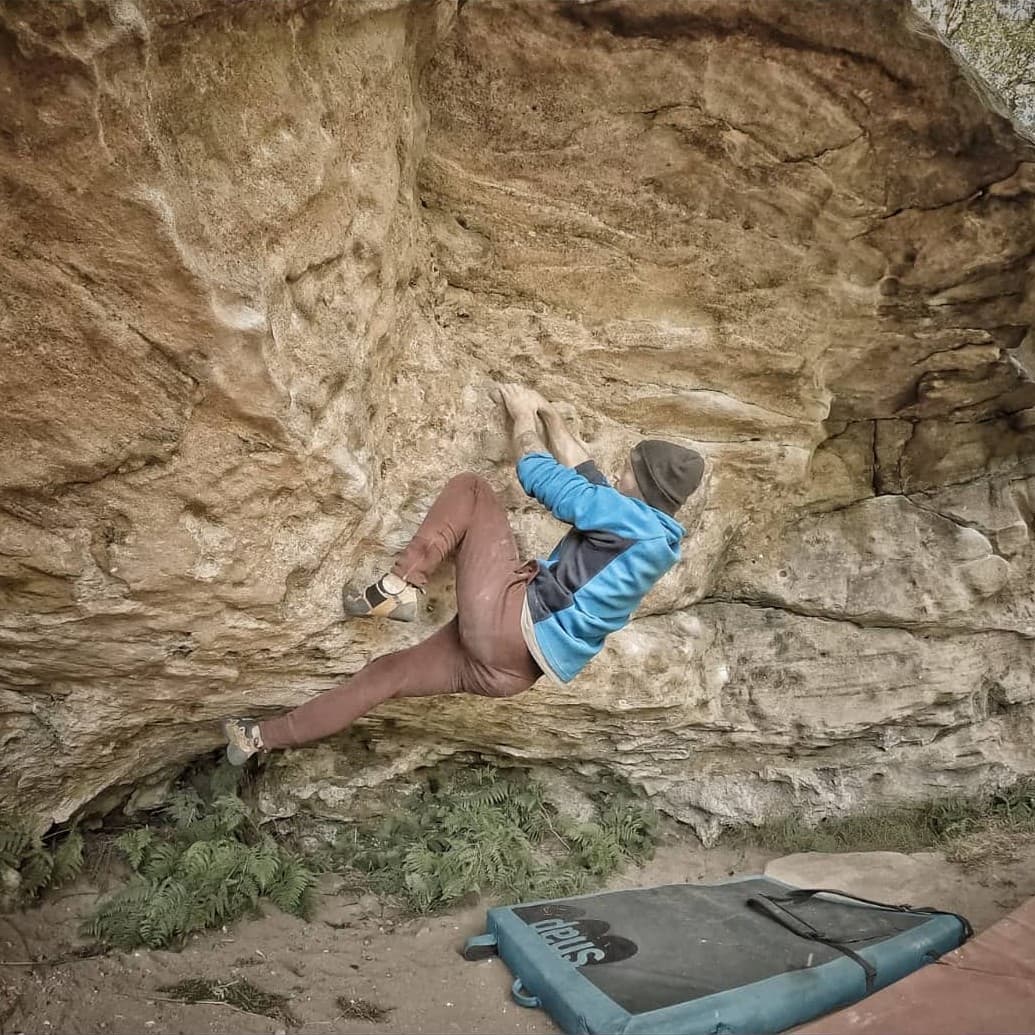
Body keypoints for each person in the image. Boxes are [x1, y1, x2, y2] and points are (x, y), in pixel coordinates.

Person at [221, 385, 705, 764]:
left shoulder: (628, 519)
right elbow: (592, 477)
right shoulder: (654, 538)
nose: (621, 471)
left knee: (473, 490)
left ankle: (401, 582)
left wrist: (522, 421)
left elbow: (541, 476)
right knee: (383, 675)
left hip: (509, 625)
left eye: (631, 469)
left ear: (642, 486)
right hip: (511, 671)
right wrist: (550, 415)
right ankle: (257, 737)